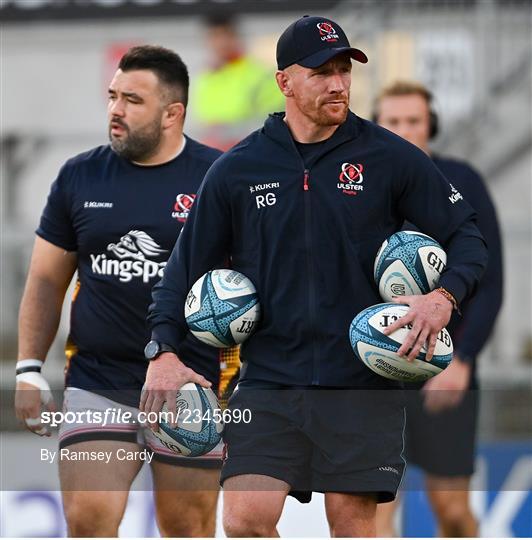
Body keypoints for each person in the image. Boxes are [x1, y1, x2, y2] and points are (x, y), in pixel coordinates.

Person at [142, 16, 488, 537]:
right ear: (284, 82)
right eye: (321, 71)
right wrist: (164, 351)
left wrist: (444, 297)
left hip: (363, 380)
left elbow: (468, 235)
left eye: (344, 69)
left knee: (351, 526)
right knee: (244, 521)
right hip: (269, 380)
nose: (338, 84)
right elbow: (182, 269)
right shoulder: (238, 169)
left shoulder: (389, 156)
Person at [14, 45, 226, 537]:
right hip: (99, 380)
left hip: (190, 384)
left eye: (132, 100)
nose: (115, 110)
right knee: (88, 519)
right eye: (112, 96)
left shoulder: (218, 179)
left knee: (187, 528)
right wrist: (28, 368)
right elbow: (47, 278)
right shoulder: (79, 175)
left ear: (173, 113)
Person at [373, 80, 503, 537]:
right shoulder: (359, 187)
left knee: (451, 512)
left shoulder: (463, 182)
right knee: (375, 515)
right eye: (393, 121)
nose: (404, 130)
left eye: (414, 121)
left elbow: (490, 283)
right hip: (376, 370)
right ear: (378, 124)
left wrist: (462, 359)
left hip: (445, 367)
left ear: (431, 125)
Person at [193, 11, 284, 150]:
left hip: (252, 154)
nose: (221, 43)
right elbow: (207, 127)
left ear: (236, 36)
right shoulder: (206, 78)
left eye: (226, 35)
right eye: (215, 36)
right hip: (218, 158)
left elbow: (276, 120)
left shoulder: (259, 73)